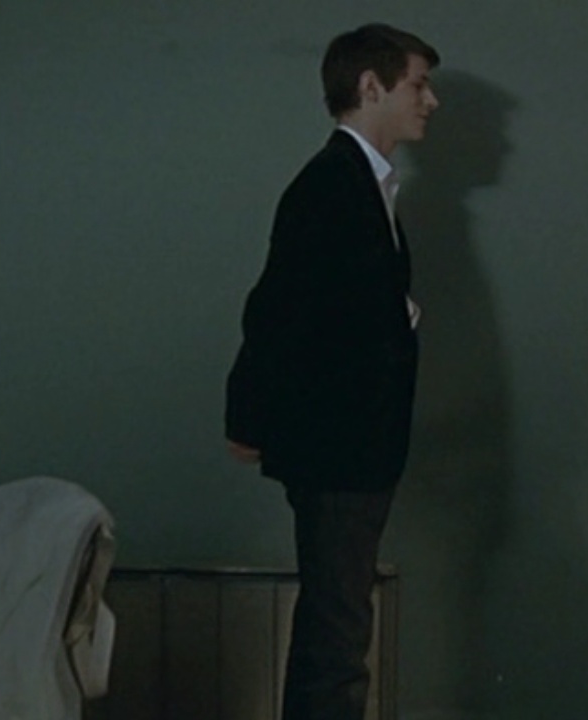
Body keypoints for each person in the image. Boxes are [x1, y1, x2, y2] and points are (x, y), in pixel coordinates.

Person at [224, 23, 439, 720]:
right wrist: (248, 417)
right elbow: (276, 307)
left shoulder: (359, 181)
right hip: (342, 445)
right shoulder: (332, 182)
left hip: (350, 443)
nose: (430, 100)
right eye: (418, 85)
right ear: (371, 86)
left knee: (333, 627)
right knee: (338, 635)